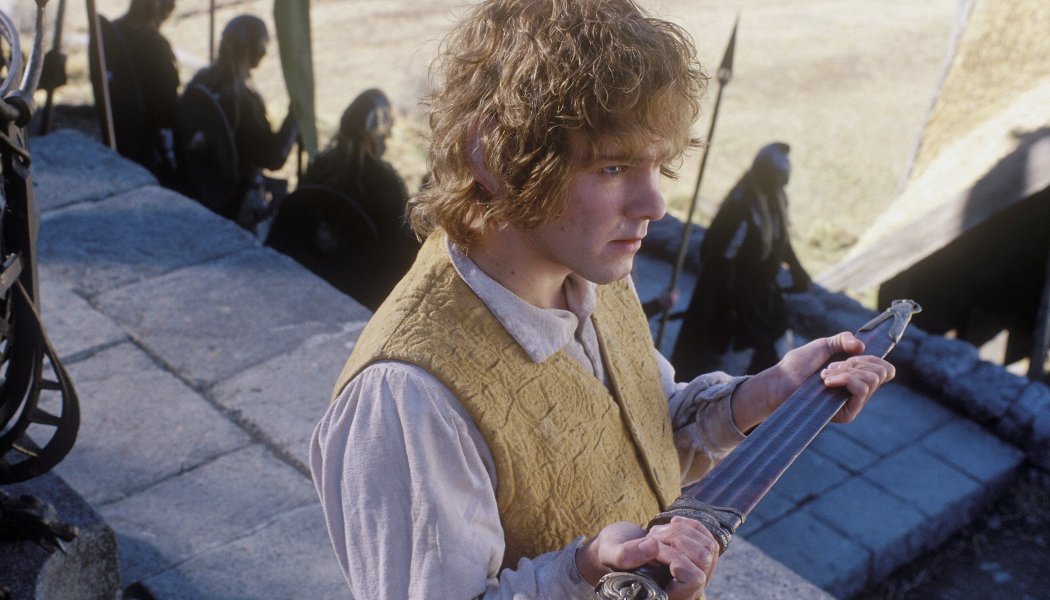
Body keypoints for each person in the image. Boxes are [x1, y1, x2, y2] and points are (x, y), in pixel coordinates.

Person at [310, 2, 893, 599]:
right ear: (491, 154)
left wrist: (766, 395)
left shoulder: (594, 271)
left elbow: (647, 430)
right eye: (614, 166)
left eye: (658, 164)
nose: (654, 204)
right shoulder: (408, 398)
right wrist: (586, 572)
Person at [671, 142, 812, 380]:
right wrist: (728, 308)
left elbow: (780, 240)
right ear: (765, 175)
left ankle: (761, 396)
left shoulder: (775, 199)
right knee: (709, 364)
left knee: (770, 354)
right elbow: (721, 261)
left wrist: (798, 270)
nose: (779, 186)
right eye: (776, 180)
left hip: (760, 295)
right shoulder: (741, 207)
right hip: (731, 297)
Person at [297, 89, 420, 309]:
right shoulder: (386, 183)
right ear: (373, 136)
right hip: (364, 289)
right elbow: (400, 251)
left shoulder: (320, 166)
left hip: (314, 269)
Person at [186, 14, 298, 229]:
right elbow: (273, 156)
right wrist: (296, 116)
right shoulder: (242, 102)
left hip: (201, 182)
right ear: (255, 52)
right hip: (232, 196)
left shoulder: (201, 80)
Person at [110, 0, 179, 185]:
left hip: (117, 132)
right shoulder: (155, 45)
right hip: (145, 144)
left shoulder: (110, 34)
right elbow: (167, 104)